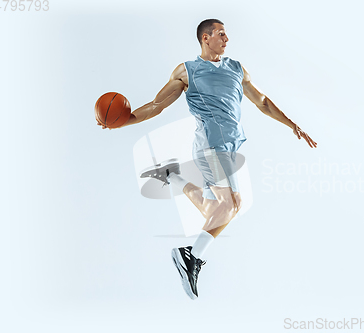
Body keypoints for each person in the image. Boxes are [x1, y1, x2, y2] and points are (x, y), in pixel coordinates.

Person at [97, 18, 317, 299]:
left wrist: (292, 124)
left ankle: (172, 176)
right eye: (221, 34)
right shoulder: (187, 71)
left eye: (226, 34)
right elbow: (156, 105)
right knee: (230, 204)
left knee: (219, 209)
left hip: (228, 146)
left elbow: (262, 101)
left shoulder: (237, 69)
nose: (226, 39)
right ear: (205, 38)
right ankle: (190, 254)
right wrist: (121, 121)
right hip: (210, 146)